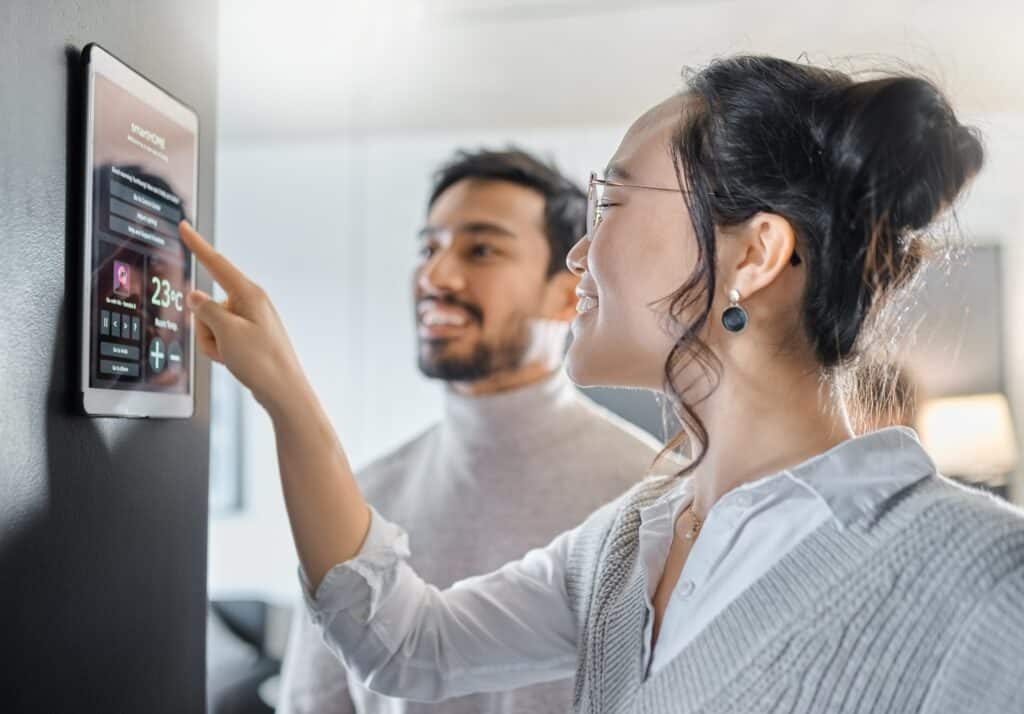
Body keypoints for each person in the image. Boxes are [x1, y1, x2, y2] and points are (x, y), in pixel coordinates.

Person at [181, 55, 1024, 713]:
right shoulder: (629, 543)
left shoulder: (985, 580)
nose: (578, 256)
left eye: (612, 206)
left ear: (758, 254)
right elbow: (404, 643)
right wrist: (285, 393)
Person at [276, 149, 668, 714]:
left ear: (567, 291)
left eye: (481, 249)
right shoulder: (358, 499)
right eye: (429, 247)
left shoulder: (651, 495)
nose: (435, 276)